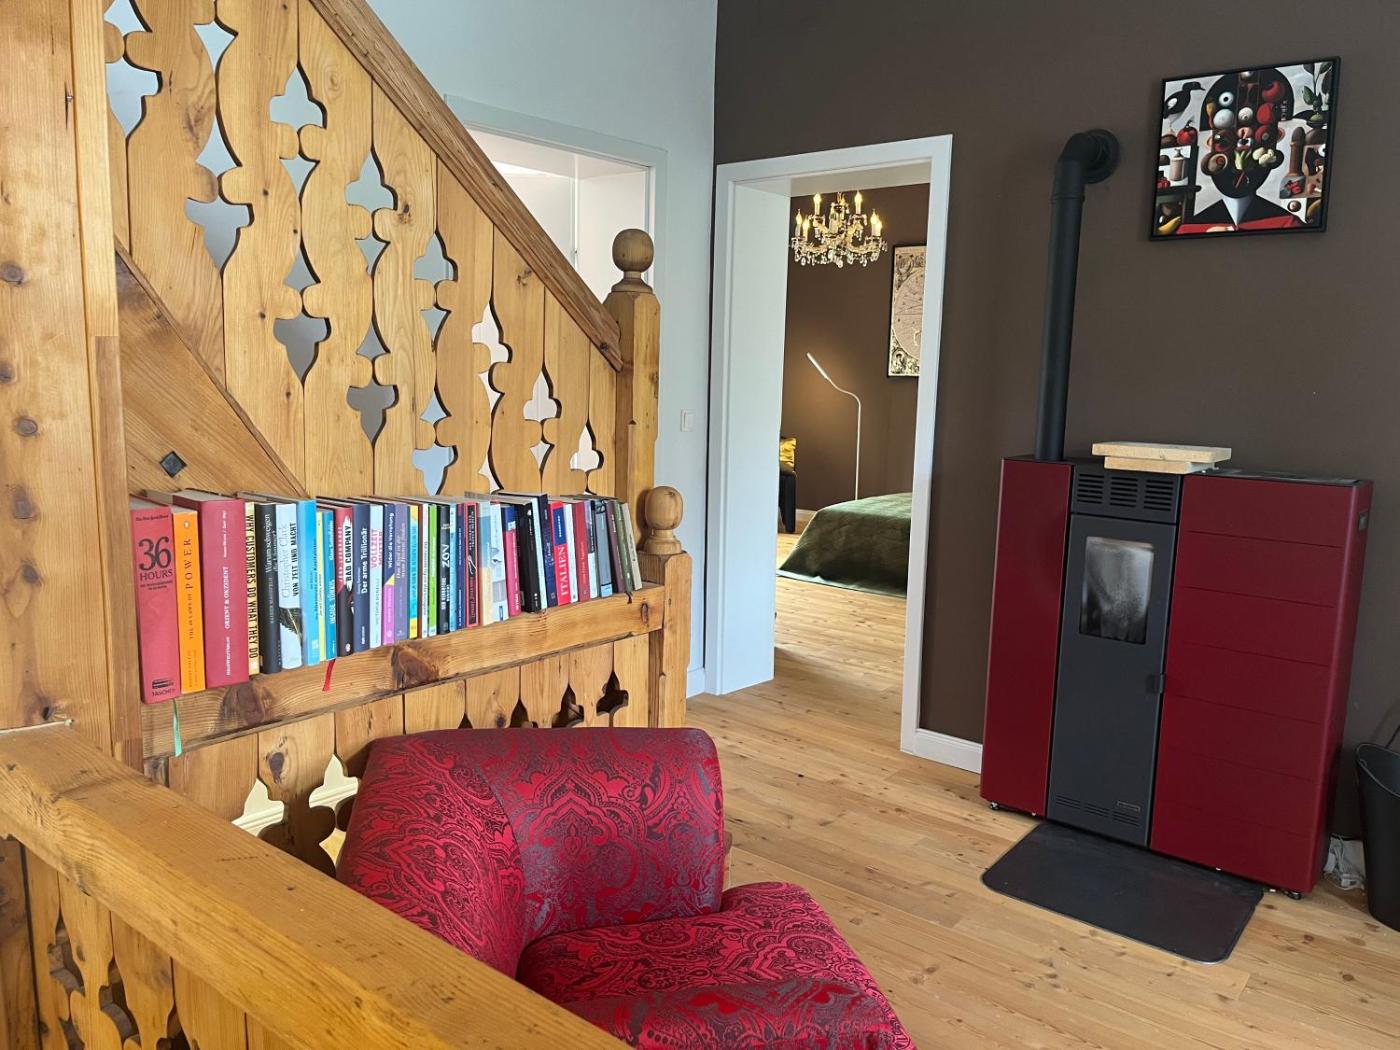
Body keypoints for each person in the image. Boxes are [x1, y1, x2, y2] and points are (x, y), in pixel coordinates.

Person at [1174, 68, 1303, 234]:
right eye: (1224, 143)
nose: (1239, 151)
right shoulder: (1189, 230)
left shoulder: (1288, 224)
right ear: (1210, 143)